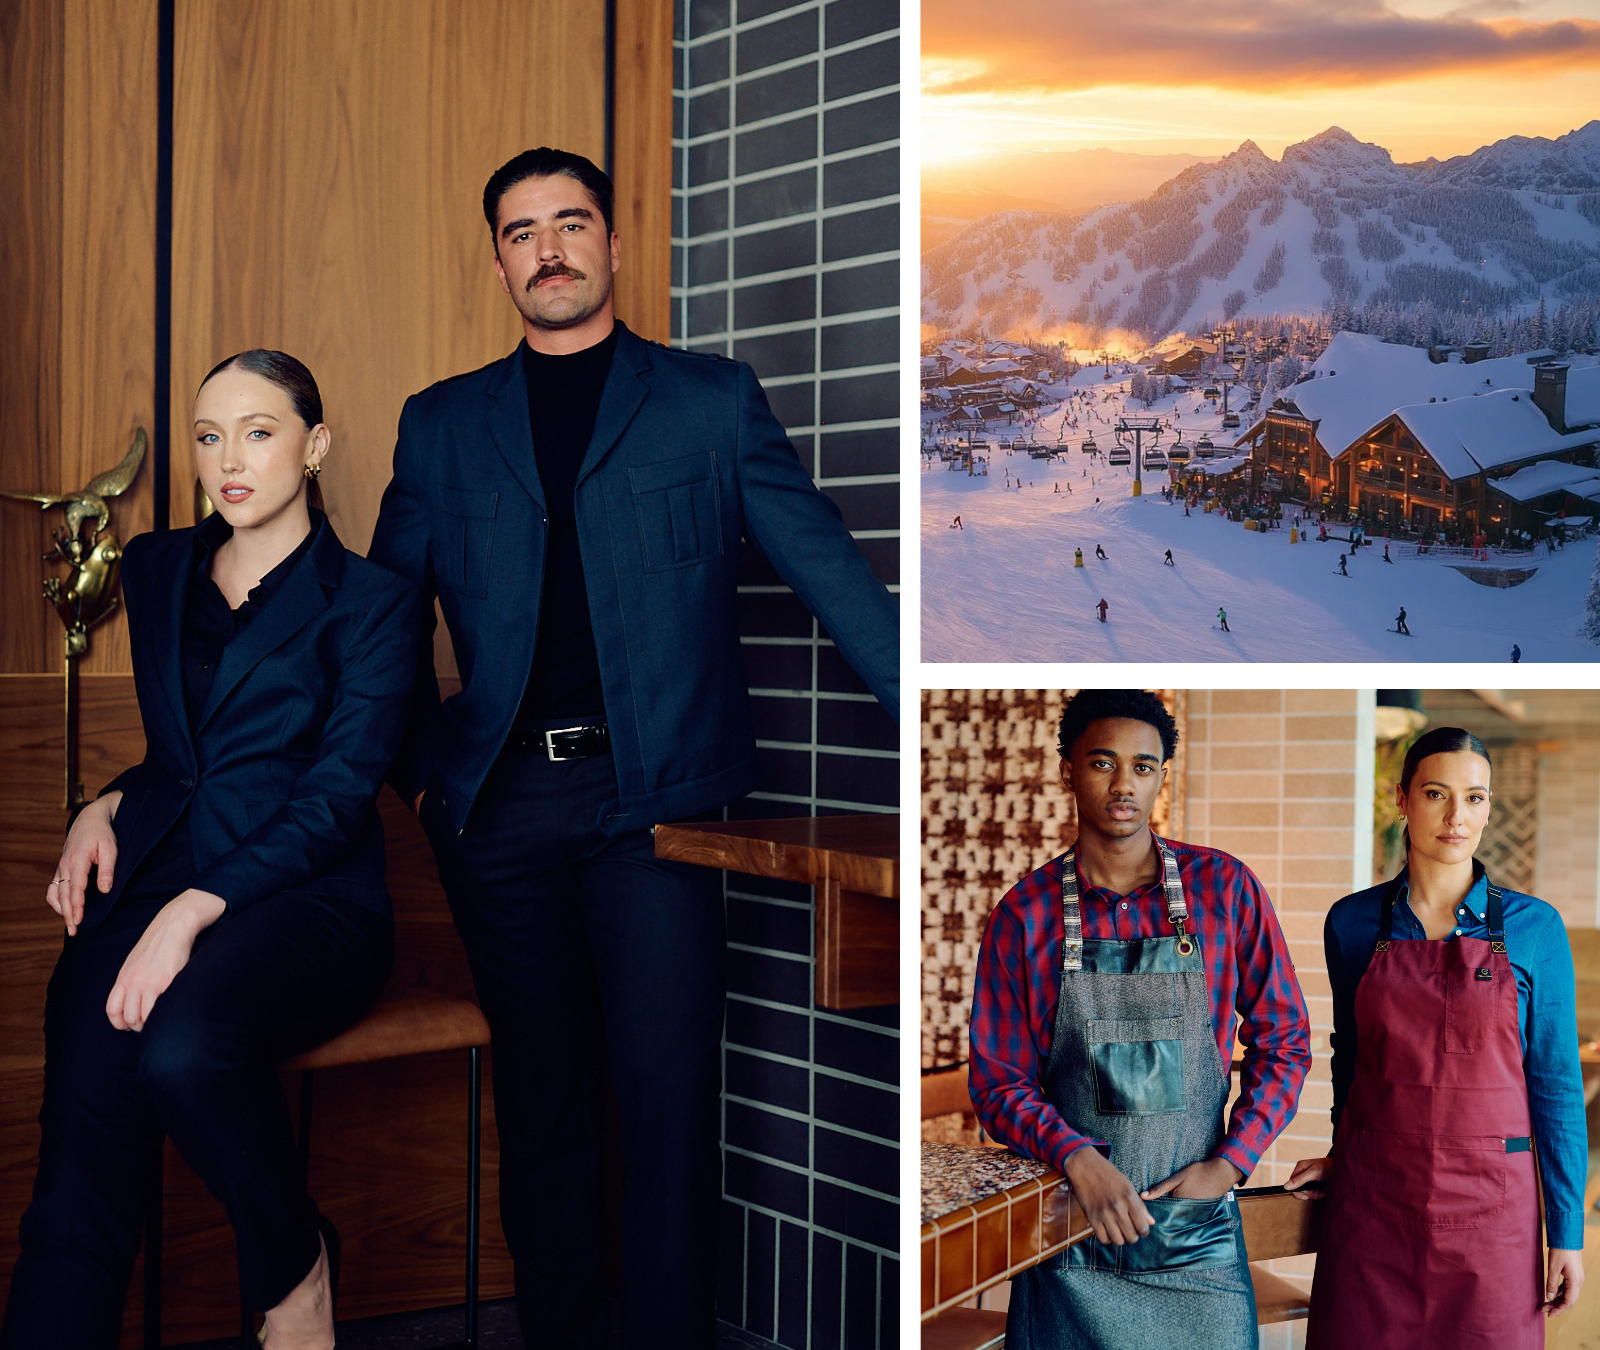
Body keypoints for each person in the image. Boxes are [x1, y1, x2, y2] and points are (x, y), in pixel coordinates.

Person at [367, 147, 897, 1350]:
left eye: (570, 222)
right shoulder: (441, 426)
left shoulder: (710, 403)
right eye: (519, 231)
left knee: (665, 1106)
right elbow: (381, 626)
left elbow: (833, 581)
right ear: (498, 257)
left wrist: (923, 737)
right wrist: (421, 782)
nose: (546, 247)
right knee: (543, 1107)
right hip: (494, 815)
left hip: (655, 813)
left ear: (612, 242)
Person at [1, 352, 421, 1350]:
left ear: (315, 446)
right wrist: (103, 802)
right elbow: (181, 757)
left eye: (260, 430)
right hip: (153, 870)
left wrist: (195, 908)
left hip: (311, 902)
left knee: (183, 1049)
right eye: (208, 434)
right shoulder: (155, 567)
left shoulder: (376, 603)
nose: (229, 457)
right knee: (80, 1163)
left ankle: (296, 1266)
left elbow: (334, 795)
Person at [971, 691, 1311, 1350]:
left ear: (1161, 775)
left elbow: (1287, 1042)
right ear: (1067, 769)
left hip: (1196, 1244)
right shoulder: (1024, 914)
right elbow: (998, 1085)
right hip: (1071, 1235)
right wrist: (1077, 1158)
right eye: (1102, 763)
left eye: (1144, 766)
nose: (1124, 783)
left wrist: (1231, 1164)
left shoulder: (1226, 888)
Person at [1288, 728, 1585, 1346]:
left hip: (1495, 1215)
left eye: (1474, 798)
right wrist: (1345, 1150)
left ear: (1488, 808)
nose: (1457, 817)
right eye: (1436, 793)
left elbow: (1555, 1087)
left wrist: (1566, 1232)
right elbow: (1353, 1055)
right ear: (1402, 798)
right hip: (1374, 1208)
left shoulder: (1535, 928)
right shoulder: (1353, 922)